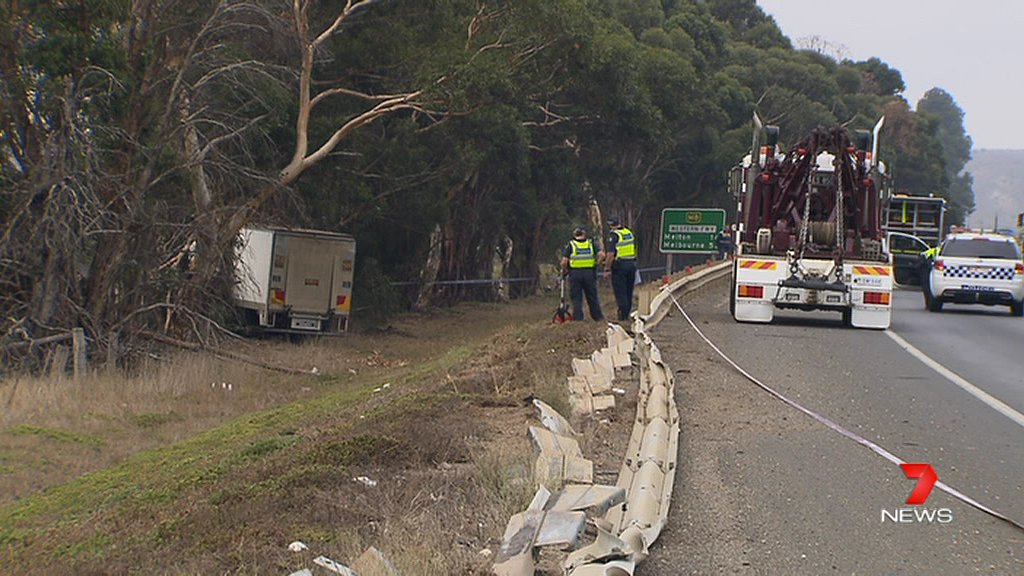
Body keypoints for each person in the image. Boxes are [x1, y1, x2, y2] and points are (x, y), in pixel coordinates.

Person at [561, 227, 604, 321]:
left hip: (575, 274)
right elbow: (602, 255)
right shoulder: (591, 243)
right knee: (592, 296)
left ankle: (578, 318)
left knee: (576, 298)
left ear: (574, 235)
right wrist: (596, 263)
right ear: (584, 234)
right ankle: (598, 317)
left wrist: (565, 270)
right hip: (589, 273)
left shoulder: (571, 245)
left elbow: (564, 261)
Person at [604, 217, 637, 322]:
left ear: (611, 225)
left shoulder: (614, 235)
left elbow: (610, 254)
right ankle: (627, 314)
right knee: (628, 291)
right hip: (631, 264)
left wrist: (607, 268)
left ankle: (622, 316)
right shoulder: (628, 232)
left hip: (620, 266)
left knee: (620, 292)